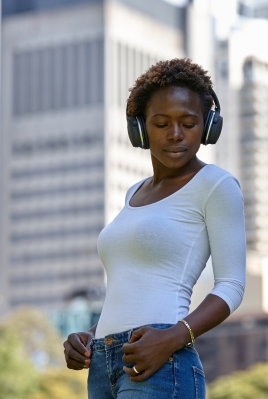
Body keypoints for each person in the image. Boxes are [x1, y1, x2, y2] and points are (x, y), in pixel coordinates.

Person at [63, 58, 246, 399]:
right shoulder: (134, 193)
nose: (175, 134)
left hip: (162, 361)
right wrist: (90, 335)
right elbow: (132, 288)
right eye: (161, 123)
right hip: (104, 364)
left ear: (208, 127)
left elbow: (232, 286)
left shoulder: (216, 185)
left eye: (189, 123)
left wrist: (174, 337)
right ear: (140, 128)